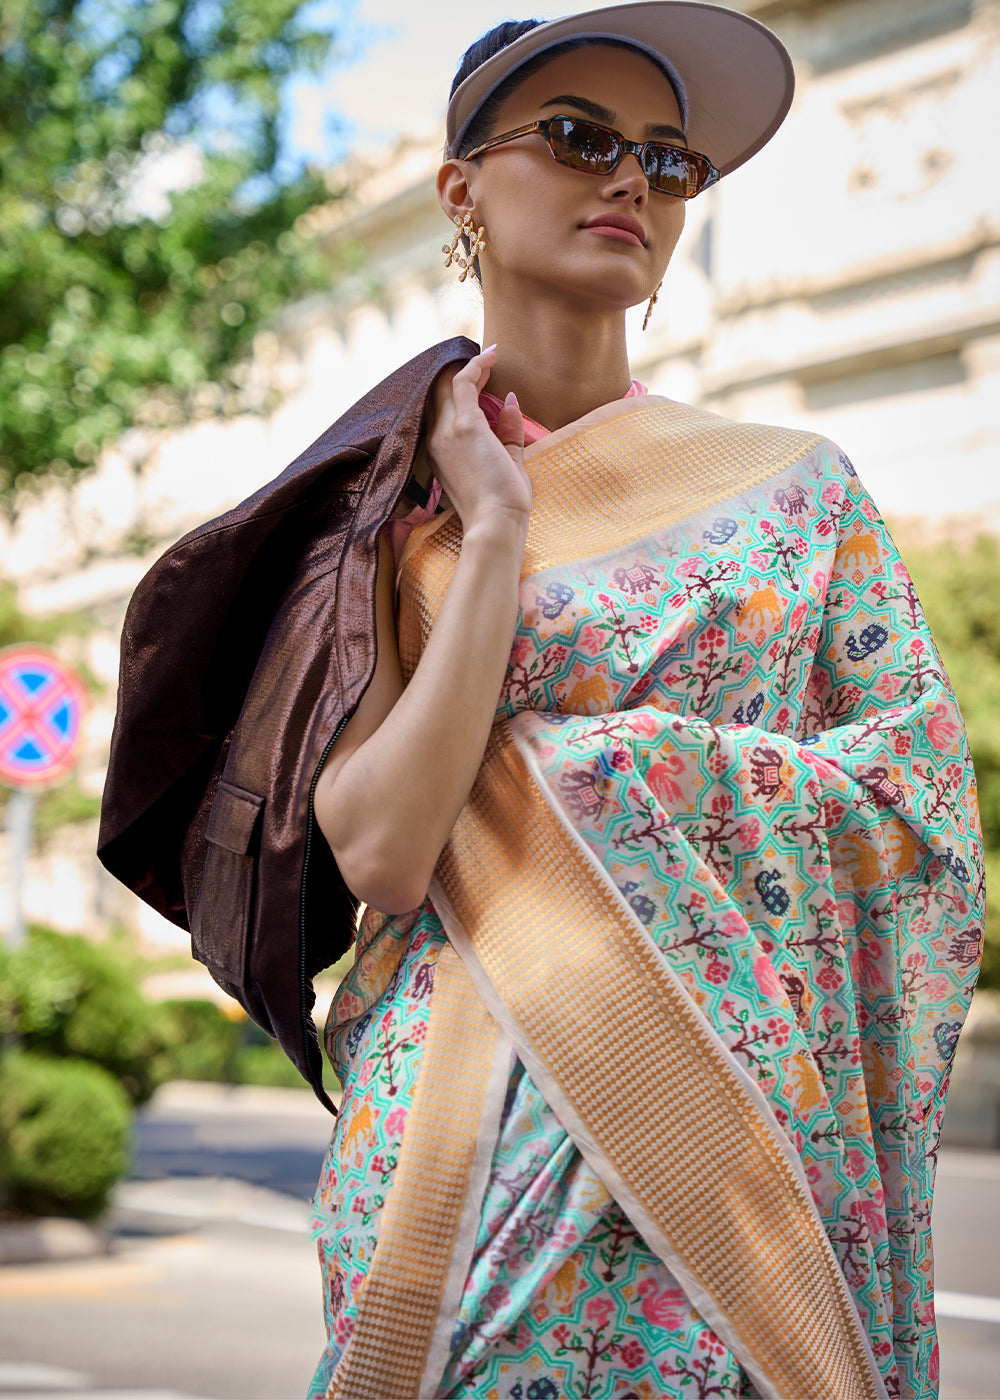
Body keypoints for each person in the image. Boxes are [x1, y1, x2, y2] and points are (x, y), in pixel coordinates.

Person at [94, 5, 981, 1399]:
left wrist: (605, 770)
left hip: (735, 1128)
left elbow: (916, 816)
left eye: (667, 161)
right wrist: (495, 531)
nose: (629, 180)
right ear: (462, 190)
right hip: (458, 1135)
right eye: (577, 139)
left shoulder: (800, 495)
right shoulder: (391, 527)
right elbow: (381, 851)